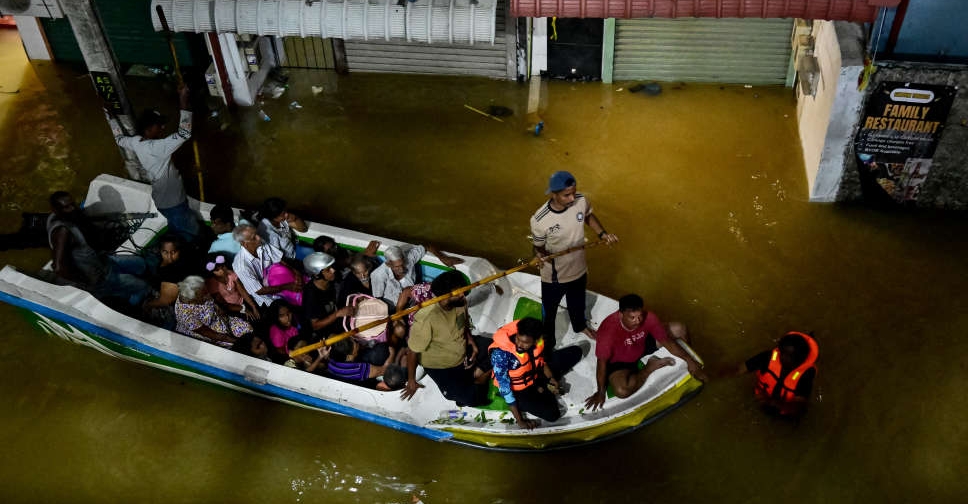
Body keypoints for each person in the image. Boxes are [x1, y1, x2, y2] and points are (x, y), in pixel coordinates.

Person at [530, 170, 618, 351]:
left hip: (579, 268)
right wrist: (539, 255)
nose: (572, 198)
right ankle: (549, 344)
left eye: (573, 193)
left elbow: (588, 215)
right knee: (549, 314)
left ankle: (580, 326)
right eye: (566, 195)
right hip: (555, 277)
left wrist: (602, 234)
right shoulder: (540, 219)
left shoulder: (581, 200)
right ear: (554, 194)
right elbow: (537, 247)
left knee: (577, 302)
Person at [107, 84, 200, 242]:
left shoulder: (136, 142)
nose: (163, 127)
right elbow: (184, 133)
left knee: (176, 228)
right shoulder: (157, 147)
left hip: (161, 201)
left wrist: (111, 116)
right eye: (159, 125)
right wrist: (183, 99)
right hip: (174, 203)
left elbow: (119, 139)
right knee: (190, 235)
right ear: (148, 128)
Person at [584, 294, 706, 411]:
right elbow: (602, 363)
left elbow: (667, 342)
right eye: (632, 317)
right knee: (622, 391)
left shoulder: (649, 318)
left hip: (641, 345)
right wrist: (600, 392)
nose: (638, 321)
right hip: (620, 361)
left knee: (680, 328)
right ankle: (650, 367)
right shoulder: (608, 331)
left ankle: (688, 368)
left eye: (640, 316)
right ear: (621, 314)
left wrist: (690, 361)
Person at [401, 271, 492, 406]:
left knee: (498, 348)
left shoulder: (460, 302)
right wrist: (411, 381)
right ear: (444, 295)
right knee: (470, 399)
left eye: (463, 291)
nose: (463, 295)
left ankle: (476, 372)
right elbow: (412, 351)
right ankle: (476, 375)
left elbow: (463, 323)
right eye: (458, 293)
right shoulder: (427, 317)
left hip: (461, 348)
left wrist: (472, 342)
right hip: (442, 366)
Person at [46, 191, 150, 306]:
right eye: (66, 207)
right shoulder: (62, 232)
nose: (72, 208)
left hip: (103, 261)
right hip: (99, 278)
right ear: (56, 210)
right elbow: (58, 268)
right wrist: (85, 281)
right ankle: (135, 305)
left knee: (140, 263)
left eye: (73, 204)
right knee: (142, 286)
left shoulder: (64, 217)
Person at [489, 317, 582, 429]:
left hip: (534, 373)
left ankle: (543, 387)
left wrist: (551, 378)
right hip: (518, 389)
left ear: (535, 340)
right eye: (518, 339)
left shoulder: (539, 341)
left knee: (576, 352)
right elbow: (505, 389)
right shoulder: (500, 355)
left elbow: (540, 361)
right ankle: (539, 392)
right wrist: (520, 421)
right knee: (553, 414)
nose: (519, 345)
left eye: (525, 343)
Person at [741, 331, 818, 418]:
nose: (784, 358)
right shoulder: (768, 357)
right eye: (783, 353)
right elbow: (740, 369)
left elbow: (799, 408)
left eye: (791, 356)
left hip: (784, 417)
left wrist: (770, 401)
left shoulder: (806, 374)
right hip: (760, 402)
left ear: (801, 359)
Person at [370, 243, 464, 311]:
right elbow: (378, 301)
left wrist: (443, 257)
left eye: (403, 264)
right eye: (397, 267)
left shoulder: (409, 258)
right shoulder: (378, 275)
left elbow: (426, 245)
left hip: (413, 301)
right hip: (392, 309)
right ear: (388, 264)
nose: (402, 269)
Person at [232, 223, 300, 307]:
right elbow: (259, 290)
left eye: (257, 234)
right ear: (244, 244)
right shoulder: (241, 266)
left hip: (279, 281)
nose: (259, 238)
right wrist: (287, 287)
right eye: (254, 238)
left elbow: (279, 259)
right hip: (268, 298)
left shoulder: (261, 244)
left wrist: (296, 273)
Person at [174, 275, 252, 347]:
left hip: (216, 319)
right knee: (234, 346)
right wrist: (238, 342)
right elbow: (216, 336)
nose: (207, 294)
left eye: (206, 291)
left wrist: (220, 310)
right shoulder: (186, 316)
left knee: (247, 329)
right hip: (206, 332)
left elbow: (217, 305)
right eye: (203, 295)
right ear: (193, 299)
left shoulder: (200, 290)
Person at [302, 252, 354, 339]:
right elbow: (315, 325)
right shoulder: (310, 295)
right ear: (317, 275)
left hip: (337, 320)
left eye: (332, 267)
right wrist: (337, 314)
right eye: (328, 269)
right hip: (324, 333)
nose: (333, 270)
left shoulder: (331, 280)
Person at [204, 253, 260, 321]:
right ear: (212, 272)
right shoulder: (212, 284)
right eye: (217, 270)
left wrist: (253, 306)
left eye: (222, 266)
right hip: (231, 309)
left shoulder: (231, 274)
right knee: (250, 320)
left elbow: (242, 292)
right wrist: (243, 309)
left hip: (242, 302)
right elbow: (224, 305)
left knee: (259, 312)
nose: (222, 270)